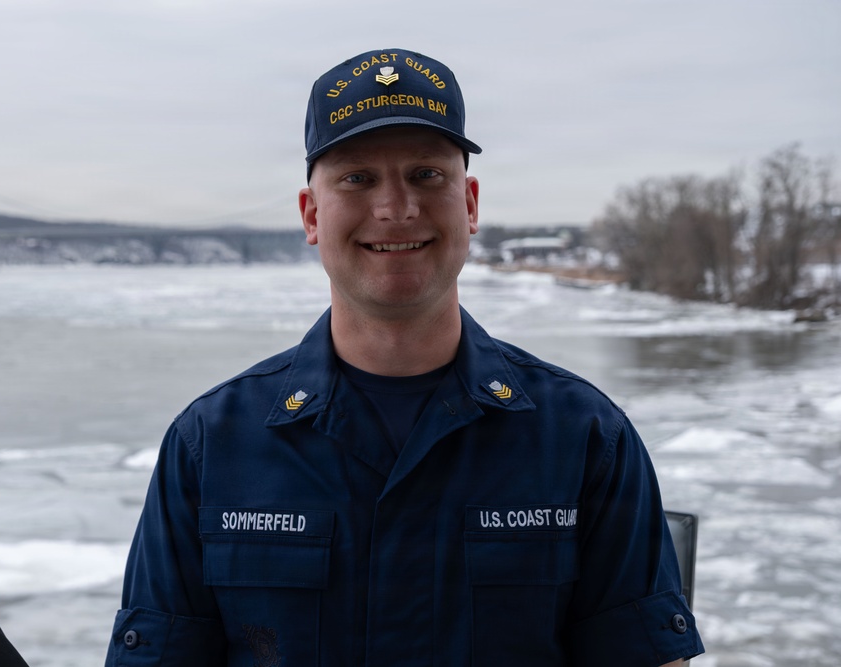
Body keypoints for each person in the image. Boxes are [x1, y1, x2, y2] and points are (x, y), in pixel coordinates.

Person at [105, 48, 704, 667]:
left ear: (470, 205)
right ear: (312, 215)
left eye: (425, 175)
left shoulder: (585, 438)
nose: (396, 208)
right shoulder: (210, 445)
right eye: (357, 179)